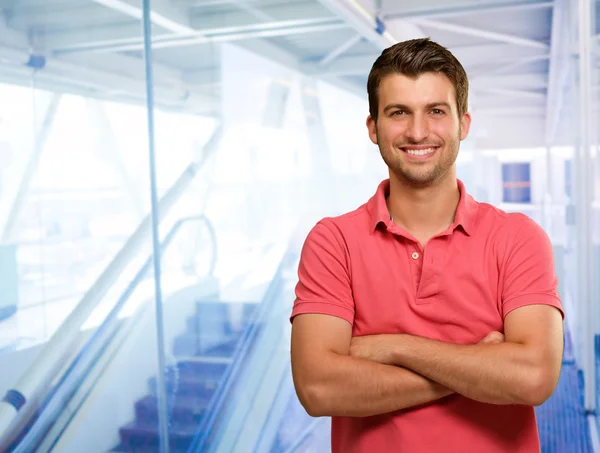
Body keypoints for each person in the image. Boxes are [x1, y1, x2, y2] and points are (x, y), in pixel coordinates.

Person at [289, 38, 564, 453]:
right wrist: (476, 367)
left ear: (463, 124)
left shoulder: (518, 238)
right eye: (399, 112)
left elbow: (533, 378)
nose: (418, 131)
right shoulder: (333, 242)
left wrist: (392, 347)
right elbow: (318, 388)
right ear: (373, 128)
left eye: (436, 111)